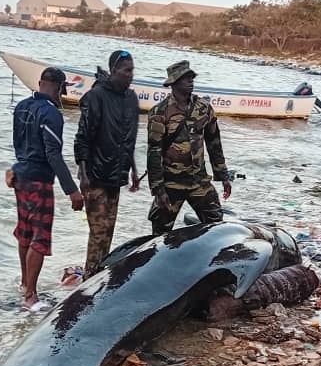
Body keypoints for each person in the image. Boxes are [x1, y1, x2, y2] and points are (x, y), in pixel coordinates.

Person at [10, 67, 84, 311]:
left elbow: (17, 144)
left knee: (25, 233)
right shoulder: (51, 114)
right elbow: (53, 154)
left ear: (40, 83)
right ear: (61, 88)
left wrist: (14, 168)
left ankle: (24, 284)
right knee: (40, 238)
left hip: (20, 176)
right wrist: (71, 189)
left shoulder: (21, 106)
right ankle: (30, 297)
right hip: (40, 180)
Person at [74, 50, 140, 278]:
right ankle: (88, 279)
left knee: (108, 232)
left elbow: (129, 138)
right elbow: (83, 137)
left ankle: (97, 277)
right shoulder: (97, 97)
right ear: (113, 71)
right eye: (126, 70)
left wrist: (133, 169)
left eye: (132, 70)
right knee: (98, 233)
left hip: (116, 176)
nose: (131, 75)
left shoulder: (131, 99)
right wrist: (82, 174)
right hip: (95, 176)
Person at [147, 60, 232, 235]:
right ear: (174, 83)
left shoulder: (203, 108)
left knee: (217, 228)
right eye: (186, 78)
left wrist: (223, 175)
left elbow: (214, 142)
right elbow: (153, 152)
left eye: (192, 77)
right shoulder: (159, 113)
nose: (191, 81)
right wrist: (158, 189)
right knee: (159, 234)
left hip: (199, 182)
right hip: (171, 183)